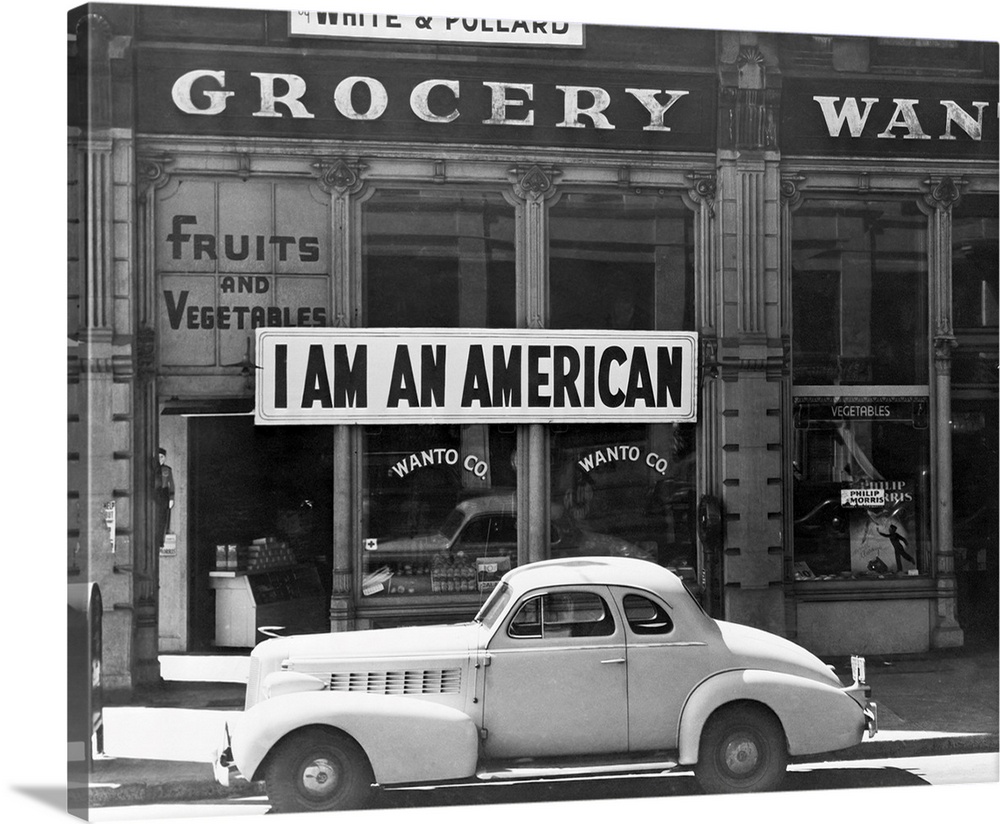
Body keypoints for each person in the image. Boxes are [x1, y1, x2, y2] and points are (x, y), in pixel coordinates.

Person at [155, 448, 175, 549]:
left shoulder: (167, 469)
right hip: (154, 495)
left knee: (163, 518)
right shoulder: (152, 469)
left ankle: (160, 541)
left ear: (165, 458)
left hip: (163, 494)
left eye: (162, 457)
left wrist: (171, 498)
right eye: (158, 457)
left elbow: (171, 484)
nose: (160, 459)